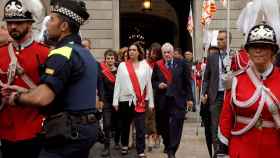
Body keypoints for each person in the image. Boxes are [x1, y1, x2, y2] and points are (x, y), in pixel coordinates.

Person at [2, 0, 99, 158]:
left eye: (52, 19)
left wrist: (17, 98)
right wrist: (28, 91)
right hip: (84, 130)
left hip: (68, 133)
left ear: (64, 26)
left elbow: (43, 98)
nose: (47, 24)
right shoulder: (84, 52)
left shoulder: (62, 53)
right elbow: (66, 93)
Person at [217, 22, 280, 158]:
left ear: (272, 51)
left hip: (273, 150)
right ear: (248, 51)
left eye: (264, 46)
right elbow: (226, 117)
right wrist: (222, 149)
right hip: (241, 149)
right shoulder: (236, 80)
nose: (258, 50)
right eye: (254, 47)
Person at [0, 0, 49, 158]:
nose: (13, 27)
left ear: (30, 23)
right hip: (5, 128)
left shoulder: (45, 53)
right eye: (9, 22)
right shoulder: (0, 52)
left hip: (36, 129)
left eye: (18, 22)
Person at [152, 42, 193, 158]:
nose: (167, 55)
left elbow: (187, 82)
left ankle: (172, 150)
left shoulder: (182, 63)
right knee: (163, 126)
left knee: (177, 125)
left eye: (168, 52)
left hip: (178, 100)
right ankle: (167, 144)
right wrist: (158, 84)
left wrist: (190, 99)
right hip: (163, 100)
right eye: (164, 53)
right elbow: (153, 80)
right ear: (162, 54)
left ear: (172, 52)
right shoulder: (158, 65)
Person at [113, 42, 154, 158]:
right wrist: (115, 101)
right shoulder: (122, 65)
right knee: (125, 125)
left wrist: (151, 102)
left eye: (134, 50)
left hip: (140, 101)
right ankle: (125, 145)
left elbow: (149, 84)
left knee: (141, 127)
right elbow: (118, 84)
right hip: (125, 100)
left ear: (139, 52)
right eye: (130, 50)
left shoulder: (145, 65)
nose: (131, 52)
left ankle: (141, 150)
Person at [201, 30, 231, 157]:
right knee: (214, 126)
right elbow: (206, 77)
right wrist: (204, 92)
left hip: (229, 96)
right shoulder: (212, 57)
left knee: (228, 124)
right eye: (218, 39)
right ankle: (217, 152)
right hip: (215, 96)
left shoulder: (234, 56)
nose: (219, 41)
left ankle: (228, 150)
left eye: (222, 39)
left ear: (229, 40)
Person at [97, 49, 118, 157]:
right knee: (106, 124)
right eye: (108, 58)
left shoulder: (119, 71)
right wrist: (101, 100)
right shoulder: (102, 73)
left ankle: (118, 143)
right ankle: (106, 147)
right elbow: (101, 88)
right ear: (105, 60)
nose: (110, 60)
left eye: (112, 58)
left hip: (118, 101)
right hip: (107, 102)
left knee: (118, 124)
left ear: (115, 59)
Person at [145, 42, 162, 151]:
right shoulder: (144, 64)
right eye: (152, 52)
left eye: (156, 53)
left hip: (158, 94)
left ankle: (157, 136)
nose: (154, 55)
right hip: (147, 94)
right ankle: (150, 136)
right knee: (149, 116)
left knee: (158, 117)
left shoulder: (161, 64)